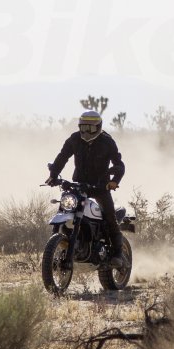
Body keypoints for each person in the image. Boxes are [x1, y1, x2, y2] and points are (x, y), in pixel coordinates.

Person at [45, 110, 126, 267]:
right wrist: (53, 174)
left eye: (90, 128)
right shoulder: (75, 139)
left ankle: (118, 254)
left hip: (100, 186)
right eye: (83, 127)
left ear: (98, 127)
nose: (86, 132)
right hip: (78, 184)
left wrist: (115, 181)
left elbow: (119, 165)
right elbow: (62, 156)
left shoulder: (107, 142)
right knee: (64, 208)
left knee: (109, 217)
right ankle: (59, 248)